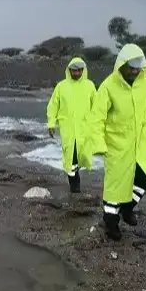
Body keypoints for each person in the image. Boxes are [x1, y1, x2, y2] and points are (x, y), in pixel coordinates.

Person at [85, 43, 146, 241]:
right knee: (115, 185)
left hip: (140, 141)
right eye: (131, 67)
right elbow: (97, 117)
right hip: (117, 143)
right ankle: (110, 221)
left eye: (138, 67)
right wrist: (98, 144)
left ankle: (128, 207)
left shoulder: (144, 82)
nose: (135, 71)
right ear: (121, 64)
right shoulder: (108, 86)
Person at [46, 57, 96, 193]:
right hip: (68, 130)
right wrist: (51, 123)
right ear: (69, 70)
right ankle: (75, 188)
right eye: (74, 70)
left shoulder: (89, 86)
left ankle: (75, 183)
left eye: (80, 70)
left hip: (84, 129)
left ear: (83, 70)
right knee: (71, 159)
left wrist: (99, 127)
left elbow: (97, 107)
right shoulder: (61, 86)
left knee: (82, 157)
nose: (77, 73)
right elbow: (53, 106)